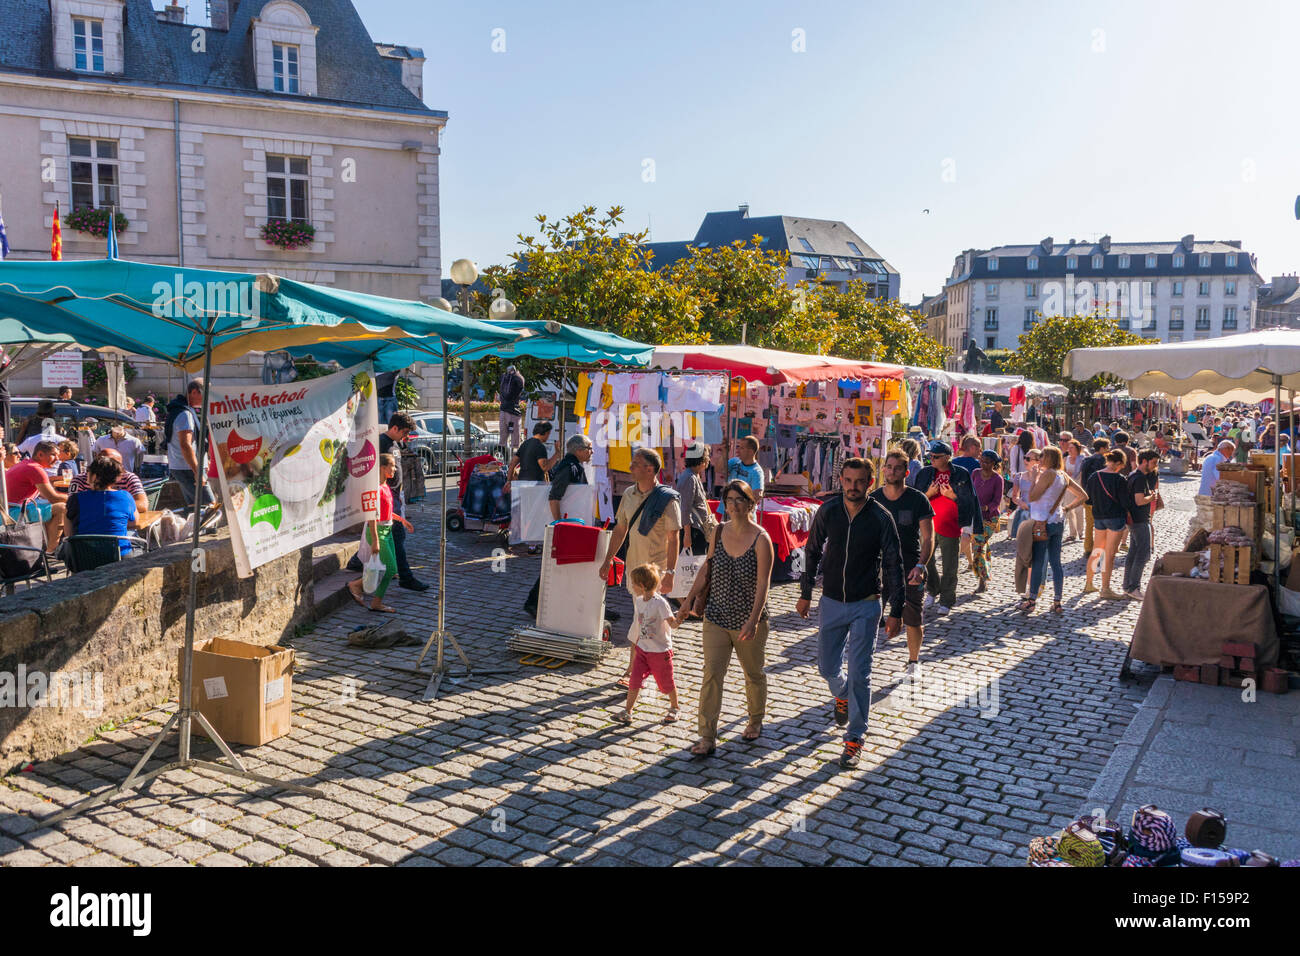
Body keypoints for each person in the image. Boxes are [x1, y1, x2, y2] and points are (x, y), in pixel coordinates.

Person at [797, 458, 904, 769]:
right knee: (827, 666)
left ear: (870, 482)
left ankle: (855, 738)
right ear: (841, 480)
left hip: (866, 603)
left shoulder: (881, 517)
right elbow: (812, 550)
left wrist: (895, 610)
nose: (853, 487)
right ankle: (842, 692)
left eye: (860, 481)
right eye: (848, 480)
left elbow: (893, 564)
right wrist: (805, 593)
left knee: (861, 672)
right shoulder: (828, 511)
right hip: (830, 601)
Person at [684, 479, 773, 756]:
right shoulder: (718, 532)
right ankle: (707, 737)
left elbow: (763, 585)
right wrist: (687, 600)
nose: (734, 505)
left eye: (739, 500)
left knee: (753, 673)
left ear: (750, 503)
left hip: (749, 620)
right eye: (729, 500)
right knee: (712, 675)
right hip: (716, 617)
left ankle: (755, 719)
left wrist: (753, 619)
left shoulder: (762, 539)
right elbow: (706, 569)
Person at [599, 448, 682, 686]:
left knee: (642, 621)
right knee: (645, 621)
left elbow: (673, 537)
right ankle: (653, 667)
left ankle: (634, 672)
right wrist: (608, 560)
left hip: (655, 570)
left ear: (650, 469)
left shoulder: (668, 498)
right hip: (634, 568)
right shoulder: (628, 494)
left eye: (636, 464)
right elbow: (620, 530)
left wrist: (671, 573)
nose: (630, 467)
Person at [870, 450, 934, 676]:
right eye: (889, 466)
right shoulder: (874, 499)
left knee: (913, 617)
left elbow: (928, 537)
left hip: (909, 568)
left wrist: (921, 565)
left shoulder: (918, 499)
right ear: (883, 469)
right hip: (878, 569)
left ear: (906, 472)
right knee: (867, 616)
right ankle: (863, 660)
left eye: (897, 468)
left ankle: (914, 661)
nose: (892, 471)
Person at [522, 434, 594, 617]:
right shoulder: (569, 467)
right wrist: (560, 524)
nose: (591, 452)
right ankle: (532, 602)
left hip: (573, 524)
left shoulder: (574, 466)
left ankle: (576, 603)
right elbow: (554, 497)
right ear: (579, 450)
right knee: (555, 563)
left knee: (569, 564)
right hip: (566, 525)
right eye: (589, 448)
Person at [916, 440, 982, 615]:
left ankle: (946, 599)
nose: (932, 459)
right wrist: (928, 494)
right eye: (930, 456)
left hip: (950, 525)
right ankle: (933, 588)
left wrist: (953, 497)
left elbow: (970, 500)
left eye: (936, 457)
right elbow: (915, 498)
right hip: (928, 525)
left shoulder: (961, 474)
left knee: (950, 565)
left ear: (947, 457)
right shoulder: (925, 473)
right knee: (926, 560)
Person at [613, 563, 681, 725]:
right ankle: (628, 711)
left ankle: (675, 707)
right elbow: (639, 623)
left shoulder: (660, 603)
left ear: (642, 586)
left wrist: (680, 618)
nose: (632, 586)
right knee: (634, 681)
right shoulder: (639, 601)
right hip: (642, 650)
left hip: (660, 652)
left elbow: (672, 624)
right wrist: (636, 643)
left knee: (666, 683)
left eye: (633, 583)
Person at [1023, 446, 1088, 614]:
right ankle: (1057, 601)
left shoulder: (1048, 474)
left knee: (1038, 561)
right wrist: (1066, 509)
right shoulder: (1063, 475)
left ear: (1049, 458)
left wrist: (1035, 477)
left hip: (1042, 523)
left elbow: (1032, 497)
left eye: (1043, 456)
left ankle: (1031, 600)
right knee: (1056, 562)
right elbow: (1083, 496)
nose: (1040, 459)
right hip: (1058, 522)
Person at [347, 454, 413, 613]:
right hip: (379, 533)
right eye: (392, 465)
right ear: (383, 468)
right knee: (390, 569)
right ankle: (362, 590)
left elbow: (386, 512)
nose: (395, 469)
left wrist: (402, 520)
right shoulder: (375, 488)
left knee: (391, 569)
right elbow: (371, 516)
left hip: (388, 531)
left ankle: (369, 595)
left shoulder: (386, 486)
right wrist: (375, 540)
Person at [377, 411, 428, 592]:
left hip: (396, 495)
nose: (406, 437)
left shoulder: (396, 443)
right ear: (395, 428)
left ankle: (357, 562)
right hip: (387, 495)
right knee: (397, 537)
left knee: (396, 537)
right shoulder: (381, 443)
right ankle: (406, 577)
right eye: (405, 432)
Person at [64, 455, 140, 556]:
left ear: (94, 476)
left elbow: (69, 533)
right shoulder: (126, 496)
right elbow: (135, 522)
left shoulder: (75, 499)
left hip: (82, 558)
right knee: (138, 547)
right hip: (119, 557)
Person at [4, 439, 67, 547]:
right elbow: (53, 497)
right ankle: (51, 550)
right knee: (62, 508)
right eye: (53, 455)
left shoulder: (26, 464)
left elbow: (45, 494)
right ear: (40, 454)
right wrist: (76, 497)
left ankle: (44, 545)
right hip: (13, 513)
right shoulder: (35, 469)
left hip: (8, 509)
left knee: (52, 508)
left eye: (58, 455)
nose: (57, 459)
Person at [1085, 450, 1130, 599]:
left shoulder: (1094, 476)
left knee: (1097, 551)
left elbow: (1089, 498)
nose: (1121, 468)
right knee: (1109, 555)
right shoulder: (1119, 479)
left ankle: (1089, 583)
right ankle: (1105, 589)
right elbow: (1125, 502)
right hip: (1115, 518)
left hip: (1099, 517)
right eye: (1121, 465)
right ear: (1117, 463)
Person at [166, 378, 212, 512]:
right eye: (205, 395)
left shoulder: (182, 410)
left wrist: (205, 460)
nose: (206, 399)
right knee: (210, 506)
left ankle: (196, 531)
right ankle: (203, 531)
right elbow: (185, 445)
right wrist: (198, 471)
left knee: (195, 506)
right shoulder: (184, 414)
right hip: (187, 467)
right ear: (193, 392)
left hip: (184, 465)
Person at [1123, 449, 1161, 600]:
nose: (1155, 466)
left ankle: (1127, 586)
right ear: (1144, 461)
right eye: (1153, 463)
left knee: (1133, 553)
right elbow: (1139, 501)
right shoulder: (1138, 479)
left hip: (1134, 520)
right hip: (1139, 520)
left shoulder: (1134, 475)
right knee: (1143, 554)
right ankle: (1134, 587)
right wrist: (1151, 498)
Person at [969, 450, 1005, 594]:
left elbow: (997, 501)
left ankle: (982, 580)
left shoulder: (998, 479)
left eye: (987, 462)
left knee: (978, 546)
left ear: (994, 464)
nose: (984, 464)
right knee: (982, 546)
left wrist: (985, 507)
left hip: (990, 518)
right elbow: (971, 491)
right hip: (975, 516)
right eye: (982, 460)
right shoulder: (975, 473)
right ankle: (984, 577)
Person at [69, 448, 148, 512]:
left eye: (111, 464)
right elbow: (71, 504)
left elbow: (142, 504)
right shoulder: (80, 479)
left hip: (121, 525)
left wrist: (106, 510)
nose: (105, 465)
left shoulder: (129, 478)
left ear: (120, 466)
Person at [675, 440, 716, 554]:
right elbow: (685, 508)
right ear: (702, 459)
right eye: (707, 456)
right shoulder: (689, 478)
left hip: (697, 529)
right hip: (693, 531)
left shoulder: (693, 475)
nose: (709, 459)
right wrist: (687, 535)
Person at [1078, 437, 1111, 554]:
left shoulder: (1086, 460)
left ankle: (1087, 549)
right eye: (1107, 447)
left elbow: (1082, 477)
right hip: (1099, 498)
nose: (1109, 449)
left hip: (1087, 496)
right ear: (1102, 448)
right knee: (1101, 524)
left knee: (1089, 524)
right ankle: (1099, 549)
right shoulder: (1103, 461)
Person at [718, 435, 764, 515]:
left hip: (742, 516)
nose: (738, 450)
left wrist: (740, 509)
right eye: (738, 447)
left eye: (742, 448)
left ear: (751, 451)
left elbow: (757, 495)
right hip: (727, 512)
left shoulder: (757, 471)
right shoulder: (735, 461)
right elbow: (718, 469)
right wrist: (724, 453)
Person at [505, 421, 557, 491]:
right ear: (546, 432)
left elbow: (512, 464)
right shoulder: (540, 446)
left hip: (521, 483)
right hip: (535, 485)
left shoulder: (525, 444)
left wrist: (508, 481)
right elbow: (545, 467)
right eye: (549, 433)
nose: (548, 436)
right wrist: (557, 453)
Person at [1008, 447, 1041, 540]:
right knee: (1023, 541)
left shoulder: (1044, 476)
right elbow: (1014, 497)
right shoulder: (1019, 476)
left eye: (1028, 459)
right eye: (1024, 458)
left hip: (1038, 513)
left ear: (1038, 462)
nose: (1025, 461)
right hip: (1023, 511)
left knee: (1037, 539)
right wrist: (1020, 503)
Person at [497, 365, 526, 452]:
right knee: (503, 435)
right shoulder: (505, 377)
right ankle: (507, 453)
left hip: (513, 411)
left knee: (514, 437)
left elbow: (520, 385)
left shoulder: (517, 379)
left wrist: (514, 374)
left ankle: (512, 453)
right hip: (505, 409)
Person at [1063, 439, 1087, 542]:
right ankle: (1072, 533)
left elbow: (1084, 472)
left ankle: (1081, 532)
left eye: (1072, 447)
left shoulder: (1082, 459)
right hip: (1069, 486)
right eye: (1069, 448)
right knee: (1069, 510)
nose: (1069, 449)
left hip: (1079, 484)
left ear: (1077, 449)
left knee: (1079, 510)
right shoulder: (1066, 459)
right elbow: (1062, 471)